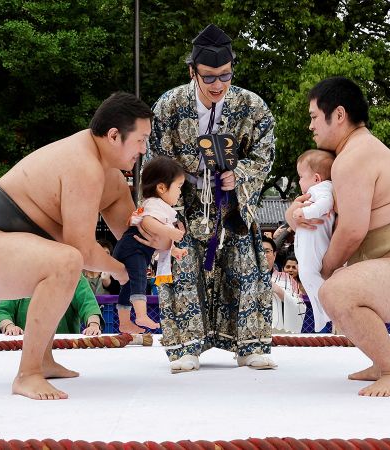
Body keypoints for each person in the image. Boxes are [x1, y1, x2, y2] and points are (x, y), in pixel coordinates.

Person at [0, 92, 159, 400]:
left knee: (62, 257)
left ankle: (44, 360)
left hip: (5, 247)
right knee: (66, 261)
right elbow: (83, 250)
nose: (143, 149)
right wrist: (121, 271)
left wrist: (165, 237)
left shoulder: (111, 178)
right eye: (141, 140)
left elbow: (134, 239)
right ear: (114, 136)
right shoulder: (84, 165)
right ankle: (28, 374)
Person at [285, 76, 390, 396]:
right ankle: (381, 363)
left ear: (338, 114)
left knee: (337, 292)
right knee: (335, 290)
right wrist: (293, 215)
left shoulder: (354, 156)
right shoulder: (353, 154)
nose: (311, 126)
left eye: (313, 116)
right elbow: (319, 217)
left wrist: (325, 270)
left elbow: (352, 230)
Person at [147, 24, 276, 373]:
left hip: (232, 202)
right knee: (181, 264)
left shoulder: (252, 106)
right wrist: (168, 204)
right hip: (184, 199)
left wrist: (240, 174)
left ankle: (249, 345)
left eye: (225, 75)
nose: (218, 84)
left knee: (245, 265)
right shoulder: (168, 106)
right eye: (209, 77)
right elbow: (156, 159)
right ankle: (186, 347)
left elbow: (264, 154)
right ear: (193, 71)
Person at [112, 156, 187, 333]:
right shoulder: (154, 203)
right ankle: (141, 315)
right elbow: (147, 222)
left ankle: (124, 322)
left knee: (129, 285)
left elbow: (158, 237)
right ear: (161, 187)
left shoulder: (160, 207)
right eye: (178, 187)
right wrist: (170, 232)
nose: (180, 192)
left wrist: (174, 250)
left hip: (133, 249)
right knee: (139, 279)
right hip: (133, 248)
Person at [291, 149, 335, 331]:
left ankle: (329, 310)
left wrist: (305, 212)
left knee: (309, 275)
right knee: (306, 275)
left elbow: (326, 203)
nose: (299, 181)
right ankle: (321, 315)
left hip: (316, 244)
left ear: (316, 178)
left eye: (301, 176)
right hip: (309, 243)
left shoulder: (323, 189)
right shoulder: (315, 191)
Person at [0, 274, 102, 336]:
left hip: (64, 349)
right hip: (22, 348)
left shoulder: (72, 275)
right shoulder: (17, 276)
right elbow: (3, 312)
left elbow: (88, 305)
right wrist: (9, 326)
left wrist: (93, 325)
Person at [263, 236, 306, 333]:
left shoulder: (288, 279)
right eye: (259, 251)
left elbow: (300, 306)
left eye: (267, 251)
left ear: (274, 255)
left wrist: (279, 291)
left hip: (278, 332)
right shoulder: (244, 280)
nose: (263, 254)